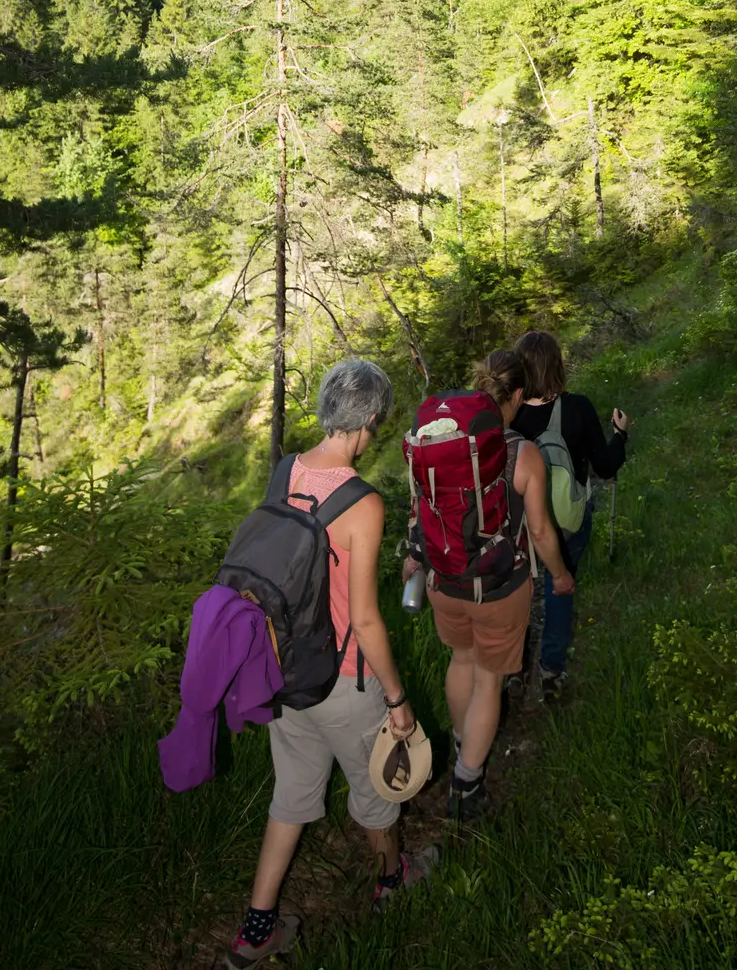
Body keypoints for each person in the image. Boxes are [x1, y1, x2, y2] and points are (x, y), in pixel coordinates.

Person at [220, 359, 435, 968]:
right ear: (366, 421)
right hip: (344, 682)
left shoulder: (284, 470)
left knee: (290, 796)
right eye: (376, 426)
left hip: (283, 671)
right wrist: (396, 699)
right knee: (375, 796)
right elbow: (365, 619)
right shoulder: (362, 504)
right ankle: (393, 878)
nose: (373, 437)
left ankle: (256, 930)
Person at [408, 348, 572, 823]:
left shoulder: (437, 444)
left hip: (443, 580)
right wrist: (560, 576)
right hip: (499, 589)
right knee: (489, 678)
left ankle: (463, 744)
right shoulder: (523, 454)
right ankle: (468, 780)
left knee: (461, 661)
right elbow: (540, 531)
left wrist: (415, 556)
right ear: (518, 394)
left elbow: (421, 508)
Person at [512, 330, 629, 700]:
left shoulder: (508, 416)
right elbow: (606, 465)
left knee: (520, 591)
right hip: (568, 523)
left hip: (522, 527)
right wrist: (620, 435)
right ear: (558, 366)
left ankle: (513, 669)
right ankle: (551, 671)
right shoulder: (577, 408)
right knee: (560, 588)